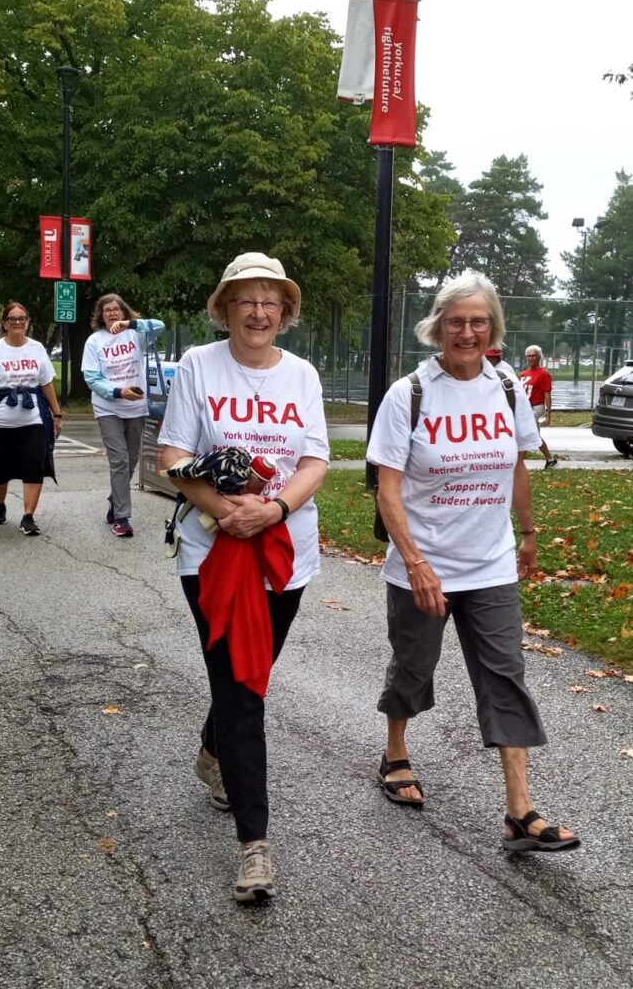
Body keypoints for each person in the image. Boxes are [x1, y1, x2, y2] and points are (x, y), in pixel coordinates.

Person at [366, 273, 579, 853]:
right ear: (438, 326)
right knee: (414, 666)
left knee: (506, 676)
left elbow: (515, 465)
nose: (466, 332)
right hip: (423, 563)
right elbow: (387, 490)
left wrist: (528, 533)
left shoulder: (507, 386)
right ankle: (395, 753)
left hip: (490, 565)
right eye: (455, 321)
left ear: (493, 328)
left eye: (478, 321)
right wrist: (416, 564)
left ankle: (520, 811)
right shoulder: (408, 394)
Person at [158, 252, 329, 902]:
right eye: (245, 299)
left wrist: (276, 508)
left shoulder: (303, 376)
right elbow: (171, 455)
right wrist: (223, 508)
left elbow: (316, 460)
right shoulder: (199, 366)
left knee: (245, 680)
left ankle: (213, 753)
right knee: (243, 692)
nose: (258, 312)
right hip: (212, 552)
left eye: (270, 301)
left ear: (284, 313)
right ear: (224, 307)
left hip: (285, 550)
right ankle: (255, 848)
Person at [0, 301, 62, 535]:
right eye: (12, 319)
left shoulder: (37, 348)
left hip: (33, 419)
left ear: (27, 322)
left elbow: (46, 383)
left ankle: (28, 517)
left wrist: (56, 413)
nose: (18, 322)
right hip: (0, 421)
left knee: (35, 465)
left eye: (22, 318)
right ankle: (0, 504)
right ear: (4, 324)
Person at [81, 293, 164, 537]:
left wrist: (130, 324)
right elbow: (92, 379)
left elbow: (160, 326)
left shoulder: (136, 335)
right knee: (119, 460)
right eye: (107, 310)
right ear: (101, 315)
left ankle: (115, 500)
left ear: (123, 312)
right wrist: (119, 392)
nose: (112, 313)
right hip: (108, 407)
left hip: (135, 407)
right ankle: (122, 518)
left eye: (116, 309)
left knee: (132, 458)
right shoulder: (94, 341)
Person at [520, 344, 558, 469]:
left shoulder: (543, 374)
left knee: (530, 433)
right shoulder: (524, 374)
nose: (531, 358)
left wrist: (548, 411)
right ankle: (549, 459)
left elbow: (547, 394)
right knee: (531, 434)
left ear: (539, 357)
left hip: (536, 407)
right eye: (528, 356)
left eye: (533, 356)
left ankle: (519, 462)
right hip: (525, 408)